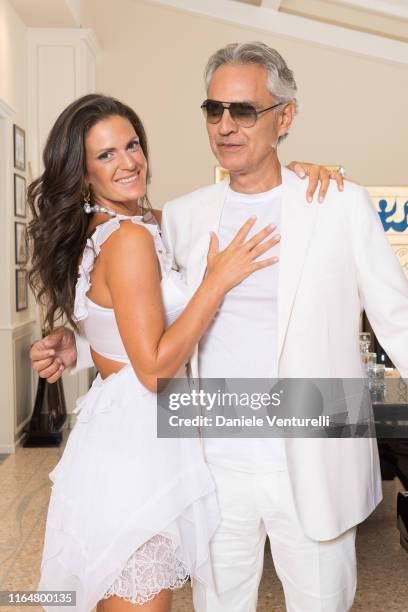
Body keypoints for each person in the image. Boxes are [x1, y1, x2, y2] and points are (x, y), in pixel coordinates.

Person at [27, 92, 332, 612]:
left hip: (132, 434)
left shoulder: (137, 224)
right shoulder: (127, 238)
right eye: (106, 155)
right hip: (139, 447)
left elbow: (114, 323)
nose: (128, 162)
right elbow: (153, 368)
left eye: (132, 145)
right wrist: (217, 281)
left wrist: (295, 176)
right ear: (82, 174)